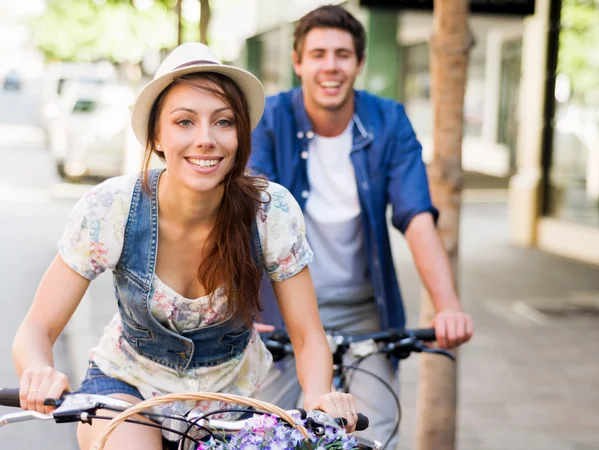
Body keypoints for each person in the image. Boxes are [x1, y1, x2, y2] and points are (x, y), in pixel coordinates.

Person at [12, 42, 359, 450]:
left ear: (240, 133)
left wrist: (320, 397)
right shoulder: (112, 208)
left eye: (224, 121)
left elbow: (307, 335)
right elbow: (36, 329)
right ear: (157, 135)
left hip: (228, 404)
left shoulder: (271, 211)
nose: (206, 139)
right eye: (184, 122)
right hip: (127, 389)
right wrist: (39, 370)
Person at [250, 5, 474, 447]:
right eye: (317, 54)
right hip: (280, 310)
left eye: (342, 54)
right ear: (298, 62)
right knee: (265, 433)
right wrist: (237, 308)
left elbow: (417, 217)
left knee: (376, 432)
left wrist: (447, 305)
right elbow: (244, 215)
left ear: (359, 62)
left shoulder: (388, 121)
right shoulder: (269, 120)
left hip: (365, 309)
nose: (330, 66)